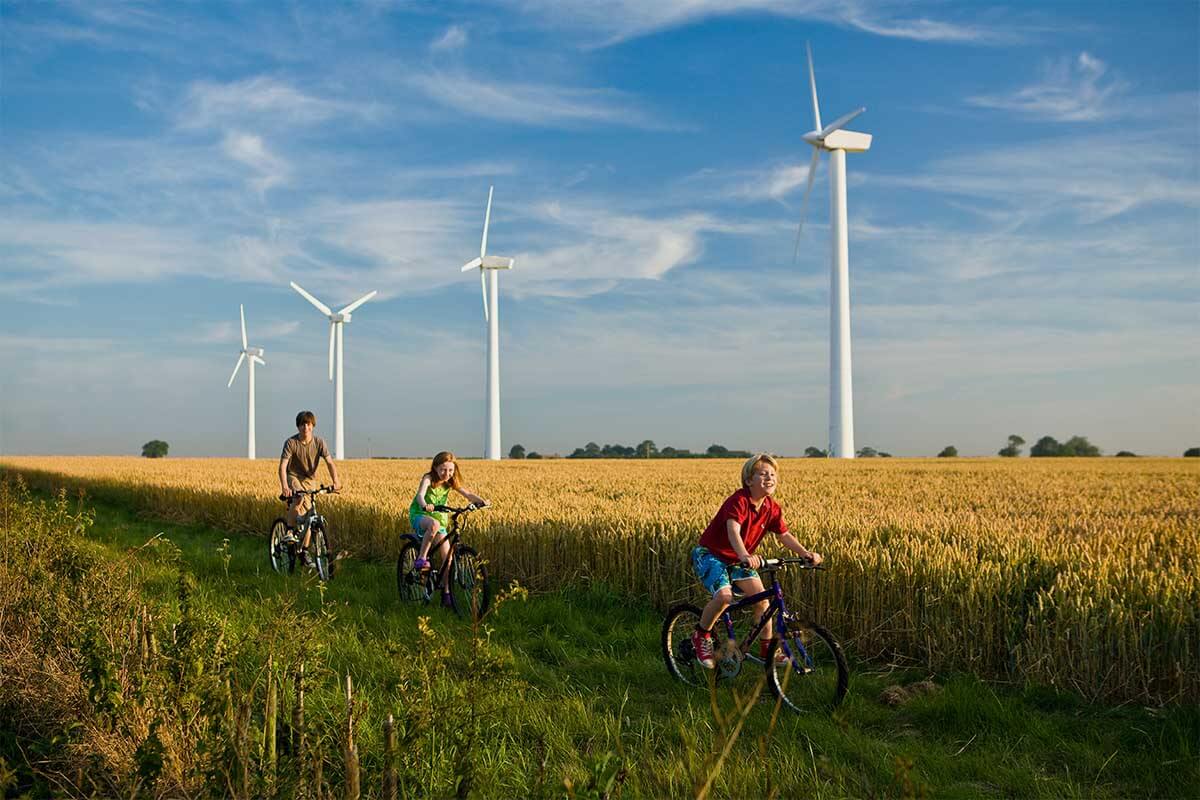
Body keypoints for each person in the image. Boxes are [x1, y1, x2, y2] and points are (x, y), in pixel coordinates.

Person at [689, 454, 822, 669]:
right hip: (712, 555)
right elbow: (733, 530)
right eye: (762, 474)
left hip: (740, 560)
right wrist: (744, 556)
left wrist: (806, 553)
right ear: (748, 480)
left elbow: (784, 535)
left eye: (772, 474)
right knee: (724, 596)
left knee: (762, 600)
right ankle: (701, 635)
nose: (769, 477)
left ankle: (767, 650)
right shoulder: (739, 501)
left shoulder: (772, 507)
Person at [409, 451, 489, 607]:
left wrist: (482, 502)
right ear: (436, 468)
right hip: (420, 514)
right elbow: (420, 495)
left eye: (451, 470)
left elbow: (468, 494)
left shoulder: (450, 482)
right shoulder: (428, 478)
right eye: (443, 470)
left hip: (439, 517)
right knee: (434, 525)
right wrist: (425, 504)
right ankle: (422, 558)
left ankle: (446, 594)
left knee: (448, 559)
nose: (447, 473)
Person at [278, 411, 341, 559]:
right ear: (298, 427)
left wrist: (336, 481)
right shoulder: (291, 443)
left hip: (310, 479)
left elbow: (330, 463)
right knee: (299, 498)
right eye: (302, 424)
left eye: (308, 424)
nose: (305, 427)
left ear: (313, 426)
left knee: (309, 515)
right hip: (293, 476)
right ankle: (289, 531)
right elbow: (282, 467)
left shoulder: (319, 443)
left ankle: (304, 551)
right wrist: (285, 487)